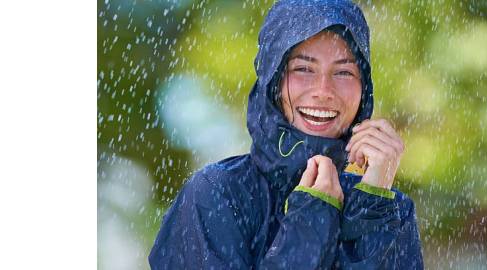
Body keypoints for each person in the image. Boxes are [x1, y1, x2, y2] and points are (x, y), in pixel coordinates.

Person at [149, 0, 423, 269]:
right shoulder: (217, 194)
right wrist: (312, 219)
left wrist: (372, 208)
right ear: (274, 81)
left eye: (343, 71)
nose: (323, 90)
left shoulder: (390, 210)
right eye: (303, 69)